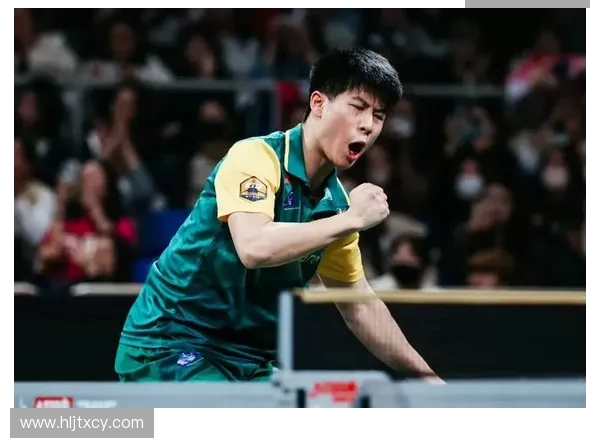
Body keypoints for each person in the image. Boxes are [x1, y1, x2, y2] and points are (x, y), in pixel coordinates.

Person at [115, 48, 441, 383]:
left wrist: (429, 379)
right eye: (357, 107)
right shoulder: (255, 157)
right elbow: (254, 247)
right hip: (171, 342)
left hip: (249, 359)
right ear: (318, 104)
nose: (368, 125)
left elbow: (359, 306)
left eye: (379, 116)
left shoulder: (335, 205)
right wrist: (350, 219)